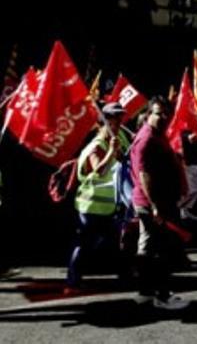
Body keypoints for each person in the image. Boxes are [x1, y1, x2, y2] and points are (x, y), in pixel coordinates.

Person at [129, 97, 189, 310]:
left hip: (156, 201)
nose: (163, 117)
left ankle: (146, 291)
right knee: (163, 248)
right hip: (154, 202)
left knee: (148, 246)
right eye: (158, 113)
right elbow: (144, 174)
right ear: (147, 114)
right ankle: (162, 296)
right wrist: (155, 205)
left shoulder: (157, 136)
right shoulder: (146, 139)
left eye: (166, 113)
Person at [65, 102, 130, 293]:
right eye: (114, 117)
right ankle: (72, 283)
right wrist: (111, 151)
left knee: (115, 243)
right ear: (104, 121)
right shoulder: (96, 146)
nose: (119, 121)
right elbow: (99, 170)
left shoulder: (118, 140)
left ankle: (125, 276)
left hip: (107, 207)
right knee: (83, 246)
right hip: (90, 207)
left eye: (120, 117)